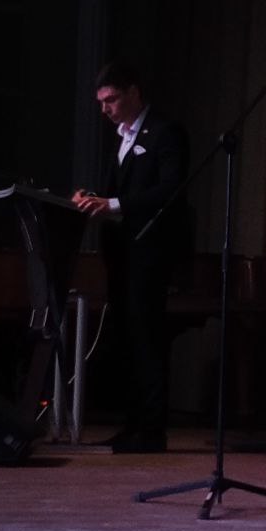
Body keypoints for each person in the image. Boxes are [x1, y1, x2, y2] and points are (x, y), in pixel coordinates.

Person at [73, 59, 189, 453]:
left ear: (134, 92)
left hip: (149, 253)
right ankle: (132, 424)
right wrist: (91, 198)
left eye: (111, 100)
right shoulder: (122, 137)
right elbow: (115, 189)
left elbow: (171, 189)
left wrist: (113, 204)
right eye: (101, 102)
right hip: (121, 254)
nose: (105, 109)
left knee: (147, 339)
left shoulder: (165, 132)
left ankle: (152, 429)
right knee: (126, 339)